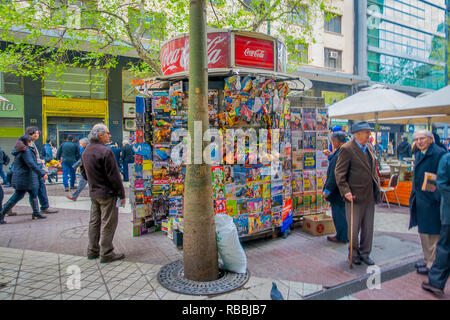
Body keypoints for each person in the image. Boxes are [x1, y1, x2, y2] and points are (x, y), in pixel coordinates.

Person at [335, 121, 381, 266]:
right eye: (367, 132)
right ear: (358, 134)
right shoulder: (347, 149)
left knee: (368, 228)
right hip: (354, 195)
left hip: (369, 194)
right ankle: (353, 253)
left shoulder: (369, 147)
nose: (369, 135)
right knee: (354, 229)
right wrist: (346, 192)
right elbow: (339, 173)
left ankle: (365, 253)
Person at [81, 124, 125, 263]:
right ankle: (106, 252)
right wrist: (121, 193)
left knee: (94, 222)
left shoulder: (86, 151)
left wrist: (93, 182)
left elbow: (83, 173)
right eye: (107, 133)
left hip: (94, 192)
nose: (109, 135)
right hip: (107, 193)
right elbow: (114, 176)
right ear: (100, 135)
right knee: (108, 223)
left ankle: (92, 250)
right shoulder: (106, 151)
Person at [409, 130, 446, 275]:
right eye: (416, 139)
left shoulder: (439, 154)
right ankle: (427, 259)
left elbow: (443, 177)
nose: (419, 141)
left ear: (430, 139)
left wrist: (435, 196)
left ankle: (433, 264)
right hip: (421, 199)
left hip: (433, 201)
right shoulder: (419, 153)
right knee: (424, 232)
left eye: (422, 138)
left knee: (433, 234)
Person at [0, 135, 48, 224]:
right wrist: (41, 173)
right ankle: (2, 213)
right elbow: (31, 164)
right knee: (18, 195)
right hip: (25, 178)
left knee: (33, 193)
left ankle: (36, 212)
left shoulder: (22, 150)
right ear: (28, 142)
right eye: (31, 141)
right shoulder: (26, 151)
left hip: (27, 177)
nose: (32, 143)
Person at [422, 152, 450, 296]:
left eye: (422, 139)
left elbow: (442, 183)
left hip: (447, 213)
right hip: (441, 208)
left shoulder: (444, 157)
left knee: (444, 248)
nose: (418, 142)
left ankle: (436, 282)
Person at [25, 126, 58, 215]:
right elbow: (31, 160)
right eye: (34, 133)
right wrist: (42, 167)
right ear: (29, 134)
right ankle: (6, 208)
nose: (36, 135)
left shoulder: (32, 144)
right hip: (32, 170)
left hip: (36, 169)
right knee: (22, 192)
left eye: (37, 133)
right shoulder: (28, 144)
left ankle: (44, 207)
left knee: (39, 188)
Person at [323, 132, 348, 244]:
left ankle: (342, 236)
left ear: (337, 141)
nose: (332, 143)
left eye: (333, 141)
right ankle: (343, 235)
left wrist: (327, 190)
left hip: (337, 191)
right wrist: (331, 156)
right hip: (342, 190)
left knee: (339, 215)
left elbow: (334, 175)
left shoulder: (340, 154)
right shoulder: (343, 151)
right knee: (342, 213)